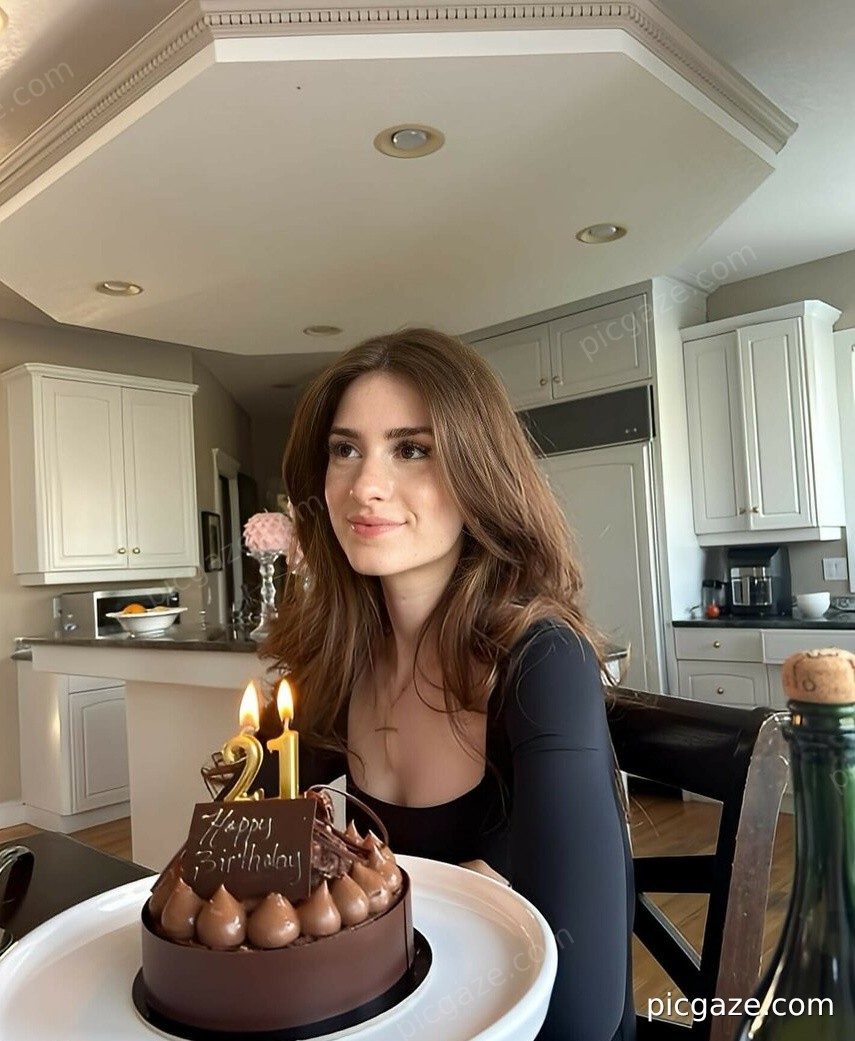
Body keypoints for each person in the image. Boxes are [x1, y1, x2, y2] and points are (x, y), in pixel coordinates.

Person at [258, 327, 635, 1041]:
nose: (365, 485)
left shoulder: (542, 662)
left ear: (478, 473)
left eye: (412, 449)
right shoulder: (337, 660)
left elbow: (582, 1013)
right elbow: (257, 850)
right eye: (345, 449)